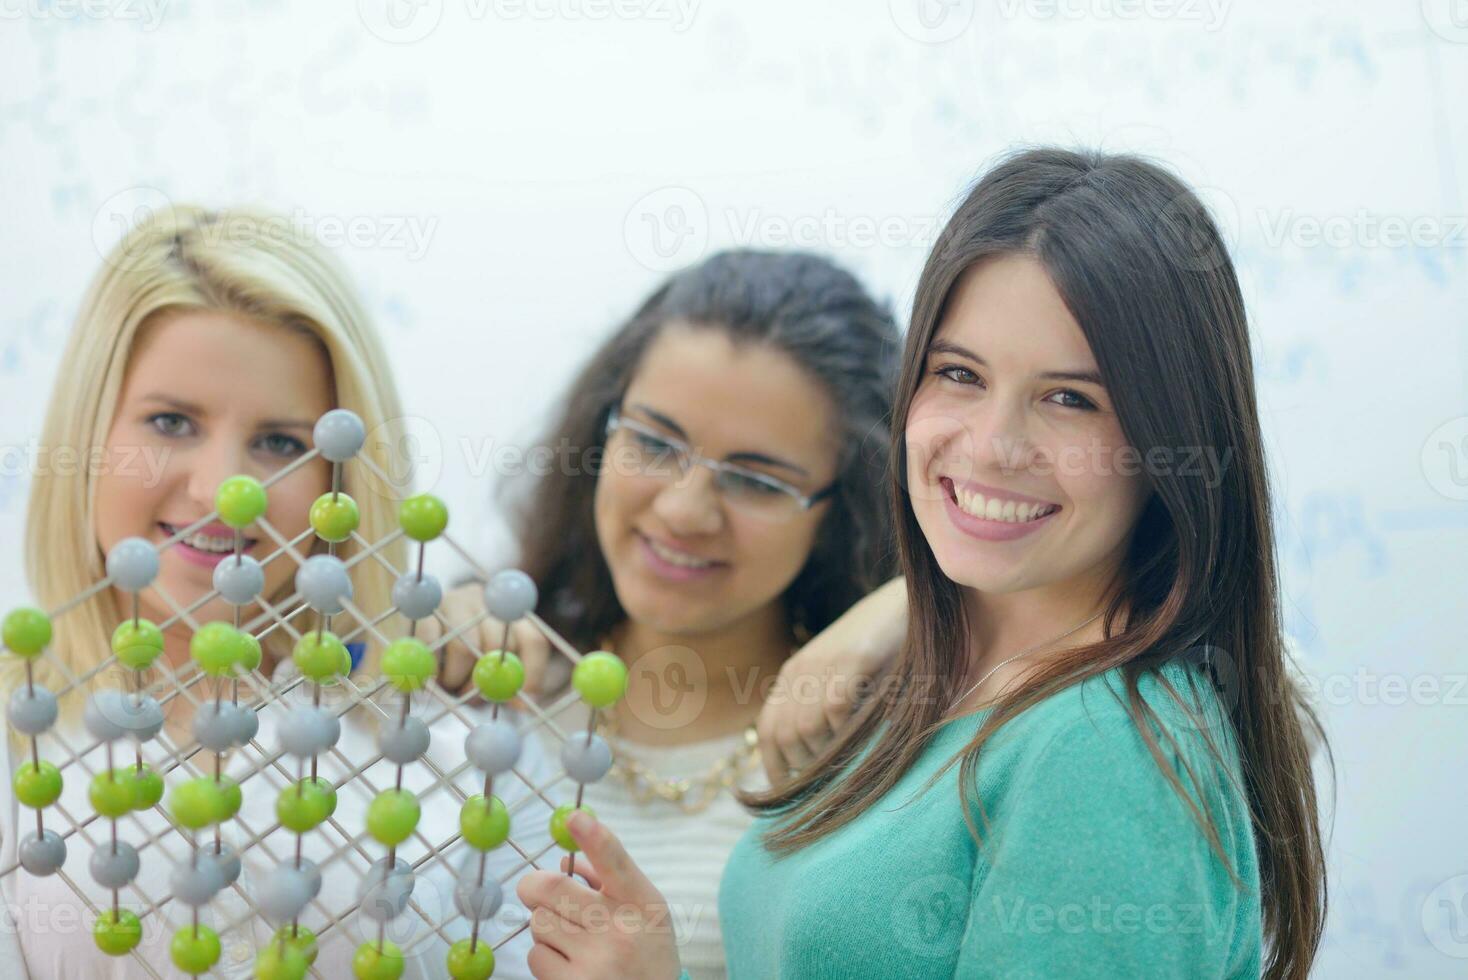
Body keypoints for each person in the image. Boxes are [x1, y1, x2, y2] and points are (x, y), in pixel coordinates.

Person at [515, 147, 1330, 979]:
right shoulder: (941, 683)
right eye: (959, 374)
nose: (991, 447)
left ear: (1173, 440)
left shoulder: (1103, 744)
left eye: (1070, 399)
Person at [0, 205, 546, 977]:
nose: (226, 491)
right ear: (87, 436)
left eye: (282, 443)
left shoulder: (452, 749)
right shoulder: (23, 739)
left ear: (342, 474)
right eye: (170, 422)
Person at [438, 249, 901, 979]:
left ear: (842, 513)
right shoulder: (486, 678)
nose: (684, 510)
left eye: (754, 480)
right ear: (601, 434)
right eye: (653, 442)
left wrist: (915, 603)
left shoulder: (871, 764)